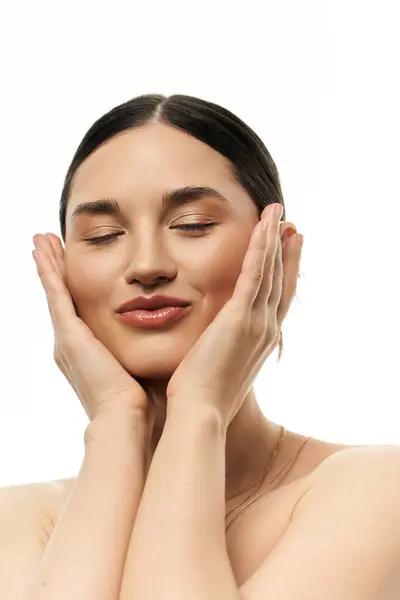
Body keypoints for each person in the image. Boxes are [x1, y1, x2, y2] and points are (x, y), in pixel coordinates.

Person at [2, 94, 399, 599]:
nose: (147, 264)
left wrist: (200, 409)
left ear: (276, 253)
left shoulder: (373, 490)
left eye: (193, 225)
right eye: (103, 236)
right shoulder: (19, 525)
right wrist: (114, 421)